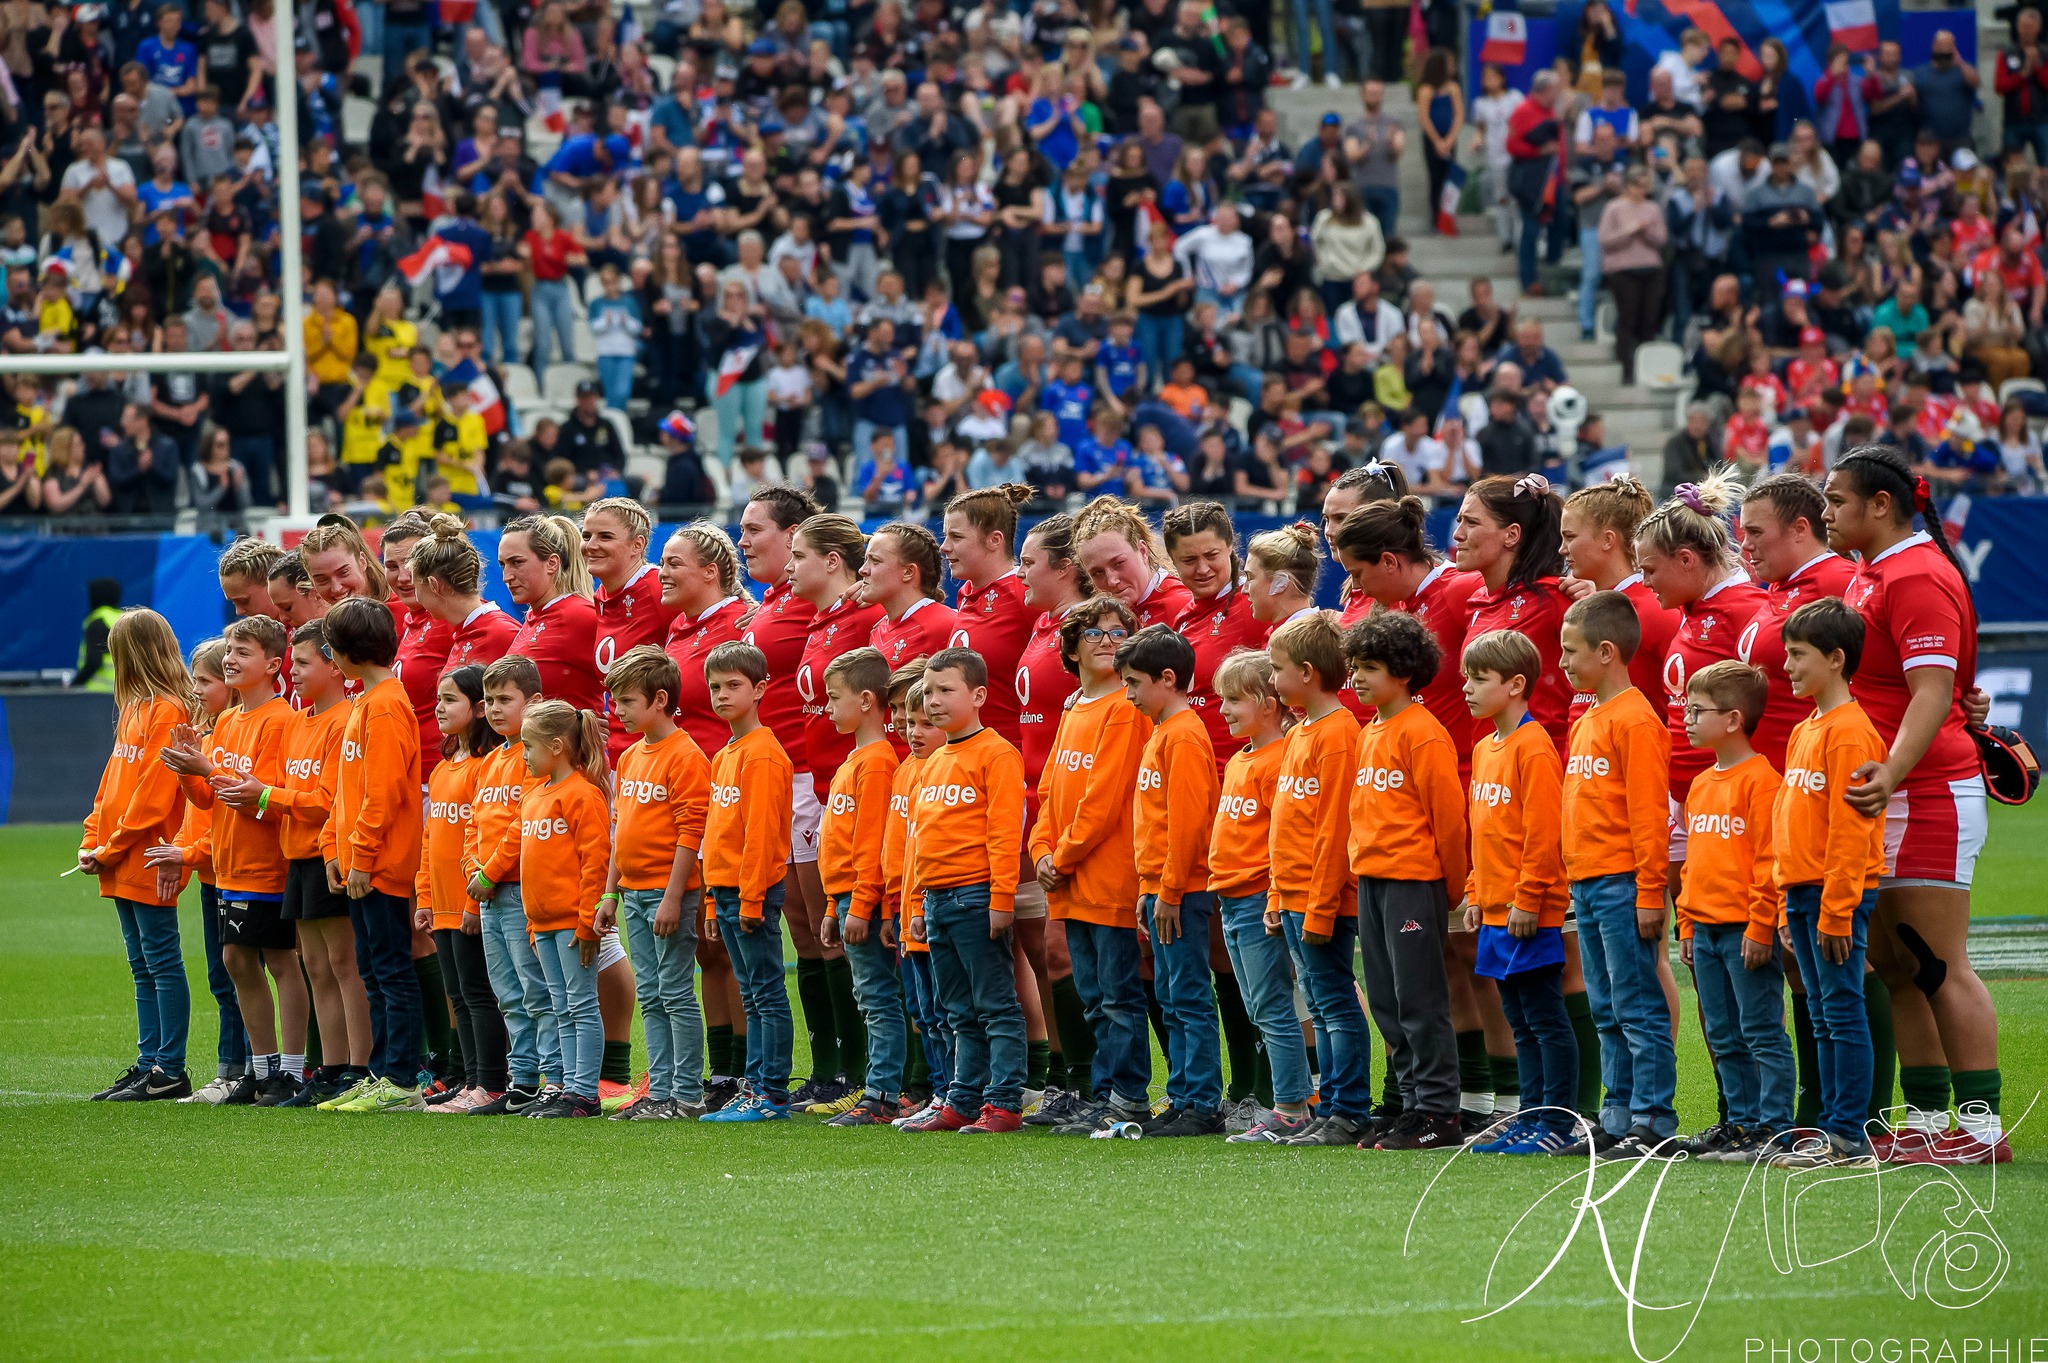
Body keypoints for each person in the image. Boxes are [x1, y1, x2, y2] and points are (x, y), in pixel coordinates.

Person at [1827, 445, 2004, 1163]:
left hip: (1926, 789)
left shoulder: (1919, 573)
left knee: (1938, 961)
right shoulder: (1875, 572)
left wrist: (1889, 773)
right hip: (1893, 787)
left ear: (1880, 504)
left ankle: (1983, 1127)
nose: (1827, 512)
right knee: (1898, 963)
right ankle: (1931, 1118)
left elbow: (1932, 693)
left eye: (1837, 500)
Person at [154, 616, 300, 1104]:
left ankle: (291, 1069)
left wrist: (206, 767)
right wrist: (187, 771)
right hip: (231, 865)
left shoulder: (279, 721)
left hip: (267, 864)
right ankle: (260, 1068)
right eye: (231, 649)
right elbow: (208, 801)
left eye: (242, 651)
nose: (232, 658)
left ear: (273, 665)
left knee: (280, 962)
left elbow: (258, 798)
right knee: (236, 960)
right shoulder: (230, 720)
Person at [1340, 609, 1468, 1152]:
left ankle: (1439, 1114)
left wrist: (1452, 889)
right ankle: (1411, 1106)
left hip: (1415, 882)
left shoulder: (1422, 733)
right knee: (1388, 1003)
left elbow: (1448, 820)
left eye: (1370, 667)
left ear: (1405, 671)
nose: (1359, 678)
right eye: (1355, 666)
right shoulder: (1372, 729)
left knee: (1419, 999)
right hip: (1373, 880)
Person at [1770, 598, 1889, 1168]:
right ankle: (1834, 1127)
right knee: (1822, 1013)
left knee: (1841, 1011)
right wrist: (1782, 901)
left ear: (1837, 659)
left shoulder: (1850, 734)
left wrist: (1838, 907)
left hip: (1832, 893)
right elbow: (1790, 823)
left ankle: (1847, 1133)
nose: (1788, 665)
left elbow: (1852, 830)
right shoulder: (1806, 728)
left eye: (1798, 655)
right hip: (1801, 892)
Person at [1555, 590, 1673, 1159]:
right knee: (1605, 1004)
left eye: (1570, 652)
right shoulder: (1590, 718)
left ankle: (1653, 1119)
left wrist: (1651, 891)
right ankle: (1618, 1114)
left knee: (1636, 1002)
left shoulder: (1636, 719)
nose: (1562, 664)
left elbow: (1651, 816)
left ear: (1606, 652)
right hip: (1588, 883)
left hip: (1623, 883)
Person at [1032, 596, 1151, 1136]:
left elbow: (1104, 800)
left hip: (1108, 876)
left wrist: (1064, 854)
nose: (1107, 640)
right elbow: (1051, 791)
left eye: (1117, 630)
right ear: (1071, 646)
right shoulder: (1074, 707)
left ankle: (1126, 1097)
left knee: (1118, 997)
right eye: (1095, 632)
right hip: (1069, 877)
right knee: (1094, 998)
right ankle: (1102, 1093)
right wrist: (1040, 852)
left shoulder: (1126, 709)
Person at [902, 647, 1030, 1133]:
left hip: (975, 897)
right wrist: (916, 904)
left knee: (994, 1005)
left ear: (978, 695)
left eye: (945, 691)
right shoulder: (933, 762)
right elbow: (920, 842)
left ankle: (1003, 1103)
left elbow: (1003, 834)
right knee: (956, 1009)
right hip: (936, 900)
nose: (933, 701)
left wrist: (1001, 900)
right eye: (930, 691)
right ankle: (963, 1099)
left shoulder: (997, 754)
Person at [1458, 629, 1575, 1155]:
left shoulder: (1534, 746)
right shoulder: (1485, 748)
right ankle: (1528, 1116)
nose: (1467, 688)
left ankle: (1557, 1123)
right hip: (1496, 911)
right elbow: (1483, 831)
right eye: (1467, 677)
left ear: (1516, 684)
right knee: (1519, 1020)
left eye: (1479, 679)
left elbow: (1544, 832)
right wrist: (1475, 893)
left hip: (1530, 913)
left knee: (1545, 1018)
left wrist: (1528, 898)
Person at [1671, 660, 1791, 1164]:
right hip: (1707, 931)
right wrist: (1687, 924)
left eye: (1697, 710)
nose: (1687, 718)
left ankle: (1774, 1128)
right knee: (1722, 1033)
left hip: (1745, 931)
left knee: (1761, 1031)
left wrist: (1762, 924)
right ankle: (1739, 1123)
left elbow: (1770, 864)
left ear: (1734, 719)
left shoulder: (1762, 782)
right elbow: (1696, 865)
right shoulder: (1700, 785)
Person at [1265, 612, 1370, 1146]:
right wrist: (1277, 893)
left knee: (1334, 1004)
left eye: (1278, 669)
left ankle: (1348, 1107)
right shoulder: (1303, 729)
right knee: (1320, 1001)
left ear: (1306, 672)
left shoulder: (1339, 733)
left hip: (1321, 899)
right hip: (1295, 894)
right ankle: (1332, 1105)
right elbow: (1290, 825)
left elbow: (1334, 829)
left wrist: (1323, 905)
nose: (1271, 680)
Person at [318, 596, 426, 1113]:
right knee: (373, 968)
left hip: (379, 864)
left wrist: (360, 855)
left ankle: (402, 1081)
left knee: (389, 969)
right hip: (359, 860)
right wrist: (333, 850)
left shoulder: (386, 704)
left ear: (346, 653)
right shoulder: (367, 700)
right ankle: (383, 1072)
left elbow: (383, 792)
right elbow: (347, 790)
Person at [81, 611, 194, 1102]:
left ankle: (169, 1067)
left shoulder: (168, 710)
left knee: (161, 960)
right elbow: (112, 784)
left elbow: (153, 795)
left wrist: (110, 844)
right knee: (141, 963)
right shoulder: (134, 709)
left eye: (116, 650)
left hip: (144, 853)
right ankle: (149, 1062)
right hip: (120, 853)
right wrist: (92, 838)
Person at [596, 646, 712, 1122]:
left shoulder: (685, 755)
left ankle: (685, 1095)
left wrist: (671, 897)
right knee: (652, 993)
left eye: (625, 701)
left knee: (675, 993)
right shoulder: (634, 756)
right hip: (635, 894)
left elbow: (692, 832)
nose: (617, 712)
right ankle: (658, 1092)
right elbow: (620, 832)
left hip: (670, 897)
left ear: (660, 699)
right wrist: (610, 892)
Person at [1119, 624, 1224, 1136]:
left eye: (1135, 682)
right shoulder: (1164, 732)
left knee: (1186, 996)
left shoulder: (1183, 734)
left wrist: (1170, 889)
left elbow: (1189, 821)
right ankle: (1184, 1096)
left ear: (1167, 678)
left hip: (1182, 890)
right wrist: (1148, 888)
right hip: (1162, 888)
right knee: (1172, 994)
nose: (1129, 694)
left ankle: (1201, 1101)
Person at [697, 641, 799, 1123]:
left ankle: (771, 1092)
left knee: (765, 991)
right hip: (728, 890)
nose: (721, 696)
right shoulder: (726, 754)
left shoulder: (762, 755)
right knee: (752, 991)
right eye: (715, 687)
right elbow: (718, 835)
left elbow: (761, 837)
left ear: (760, 690)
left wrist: (752, 899)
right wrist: (715, 904)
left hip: (751, 890)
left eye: (733, 686)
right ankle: (757, 1086)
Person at [505, 700, 609, 1121]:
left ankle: (585, 1093)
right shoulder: (535, 796)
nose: (524, 754)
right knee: (560, 1004)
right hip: (543, 924)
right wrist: (532, 922)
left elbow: (595, 862)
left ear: (557, 746)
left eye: (528, 746)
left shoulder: (583, 795)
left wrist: (587, 924)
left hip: (571, 924)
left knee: (581, 1004)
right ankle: (568, 1087)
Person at [412, 665, 508, 1114]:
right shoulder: (447, 765)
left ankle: (491, 1081)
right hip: (445, 907)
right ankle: (471, 1080)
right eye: (438, 698)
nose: (439, 707)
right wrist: (427, 897)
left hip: (470, 905)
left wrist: (472, 902)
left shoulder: (485, 767)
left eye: (450, 699)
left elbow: (482, 838)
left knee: (478, 994)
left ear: (477, 709)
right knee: (459, 996)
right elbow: (431, 839)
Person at [464, 656, 557, 1116]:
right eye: (489, 700)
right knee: (507, 993)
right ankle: (521, 1081)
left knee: (535, 991)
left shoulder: (533, 759)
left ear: (534, 702)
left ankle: (553, 1079)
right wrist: (471, 868)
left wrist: (490, 872)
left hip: (518, 889)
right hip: (488, 892)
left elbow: (523, 827)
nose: (495, 709)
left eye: (506, 699)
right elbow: (474, 824)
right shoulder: (488, 763)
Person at [500, 513, 603, 714]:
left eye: (517, 562)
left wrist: (586, 725)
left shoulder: (578, 615)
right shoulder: (534, 616)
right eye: (503, 565)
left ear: (552, 563)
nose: (506, 576)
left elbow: (632, 685)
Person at [1599, 167, 1667, 384]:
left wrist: (1645, 231)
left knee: (1649, 318)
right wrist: (1629, 231)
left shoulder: (1653, 208)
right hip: (1623, 269)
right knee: (1628, 317)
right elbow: (1605, 240)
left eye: (1644, 186)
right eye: (1637, 185)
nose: (1641, 190)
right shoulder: (1614, 208)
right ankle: (1626, 368)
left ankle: (1646, 367)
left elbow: (1662, 239)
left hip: (1650, 268)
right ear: (1628, 186)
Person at [864, 522, 957, 679]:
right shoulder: (878, 629)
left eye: (875, 561)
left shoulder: (946, 624)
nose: (863, 570)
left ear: (908, 572)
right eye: (866, 560)